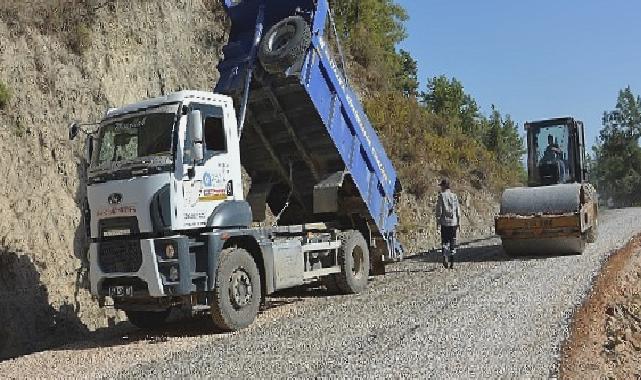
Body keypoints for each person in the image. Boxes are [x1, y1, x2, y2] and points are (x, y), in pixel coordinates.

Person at [435, 178, 461, 269]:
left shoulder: (441, 196)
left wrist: (438, 221)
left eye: (441, 186)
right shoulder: (454, 196)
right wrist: (458, 221)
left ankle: (445, 257)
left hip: (445, 223)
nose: (441, 187)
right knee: (452, 241)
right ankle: (452, 261)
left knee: (445, 241)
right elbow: (458, 210)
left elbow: (439, 210)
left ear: (444, 186)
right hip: (453, 222)